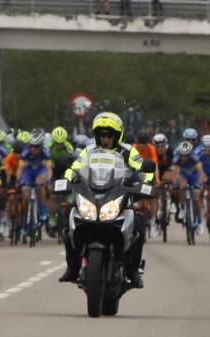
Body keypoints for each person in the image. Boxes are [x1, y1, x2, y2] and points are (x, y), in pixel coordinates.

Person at [59, 112, 151, 287]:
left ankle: (132, 270)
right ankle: (73, 266)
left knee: (138, 226)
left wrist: (141, 181)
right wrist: (71, 177)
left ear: (117, 135)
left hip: (120, 197)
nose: (105, 139)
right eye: (101, 135)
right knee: (67, 220)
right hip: (92, 196)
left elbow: (144, 171)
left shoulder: (128, 151)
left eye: (109, 135)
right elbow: (74, 167)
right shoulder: (88, 150)